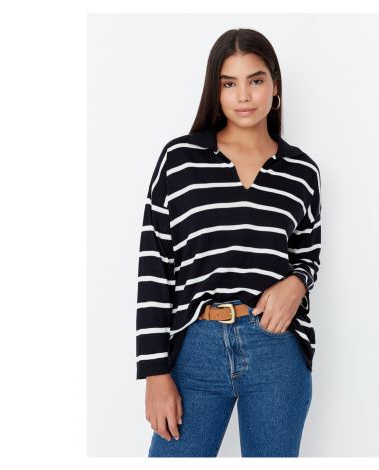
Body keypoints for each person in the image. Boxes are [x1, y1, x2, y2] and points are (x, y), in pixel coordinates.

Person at [136, 28, 322, 457]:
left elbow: (307, 254)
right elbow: (155, 266)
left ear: (275, 86)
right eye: (228, 83)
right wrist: (155, 373)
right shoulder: (180, 160)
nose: (243, 95)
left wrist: (297, 282)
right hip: (195, 349)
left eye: (255, 80)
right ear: (215, 91)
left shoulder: (301, 172)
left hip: (277, 349)